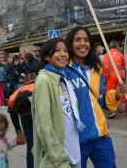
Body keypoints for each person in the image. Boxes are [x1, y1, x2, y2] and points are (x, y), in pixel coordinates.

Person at [65, 26, 127, 168]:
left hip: (100, 137)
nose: (83, 43)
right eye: (78, 40)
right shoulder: (64, 71)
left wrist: (117, 94)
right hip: (75, 140)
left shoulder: (96, 69)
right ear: (70, 44)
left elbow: (101, 101)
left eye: (86, 40)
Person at [32, 37, 84, 168]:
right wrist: (58, 157)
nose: (63, 54)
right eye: (57, 51)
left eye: (66, 51)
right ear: (46, 56)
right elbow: (45, 125)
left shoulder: (62, 78)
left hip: (73, 150)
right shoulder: (43, 80)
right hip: (59, 157)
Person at [7, 72, 36, 168]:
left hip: (40, 105)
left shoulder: (41, 92)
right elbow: (12, 112)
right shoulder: (13, 99)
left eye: (29, 114)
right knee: (32, 146)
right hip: (26, 104)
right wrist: (18, 131)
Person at [103, 40, 126, 117]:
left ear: (110, 46)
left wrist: (105, 78)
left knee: (110, 93)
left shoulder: (107, 55)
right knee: (122, 91)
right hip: (120, 75)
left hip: (111, 77)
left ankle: (112, 110)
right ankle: (123, 109)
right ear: (117, 46)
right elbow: (123, 65)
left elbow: (105, 67)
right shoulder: (120, 54)